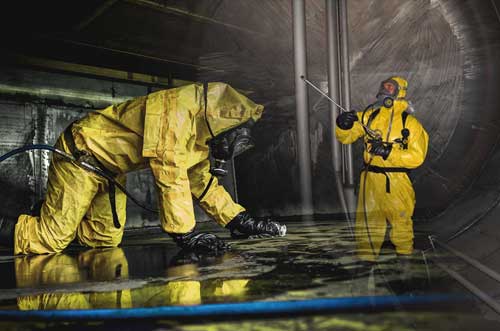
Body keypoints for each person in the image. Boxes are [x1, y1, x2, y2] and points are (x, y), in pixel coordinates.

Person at [0, 82, 286, 255]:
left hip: (110, 170)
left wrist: (239, 220)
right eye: (235, 142)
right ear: (226, 124)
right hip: (82, 152)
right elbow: (170, 172)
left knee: (103, 240)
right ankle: (41, 221)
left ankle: (49, 211)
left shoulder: (201, 135)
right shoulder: (177, 111)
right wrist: (185, 234)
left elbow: (201, 181)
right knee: (50, 239)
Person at [335, 76, 428, 261]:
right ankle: (365, 265)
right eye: (384, 86)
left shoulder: (410, 124)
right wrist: (343, 125)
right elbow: (346, 137)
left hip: (397, 182)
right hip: (370, 179)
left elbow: (417, 157)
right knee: (368, 226)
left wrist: (388, 152)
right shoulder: (370, 117)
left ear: (399, 92)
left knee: (401, 223)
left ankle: (405, 264)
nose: (385, 90)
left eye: (390, 87)